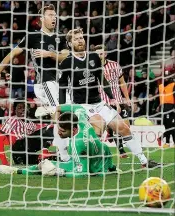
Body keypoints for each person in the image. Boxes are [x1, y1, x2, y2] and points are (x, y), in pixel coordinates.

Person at [57, 28, 160, 169]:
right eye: (76, 39)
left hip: (99, 102)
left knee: (123, 128)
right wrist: (63, 110)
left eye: (81, 37)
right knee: (97, 128)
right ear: (69, 43)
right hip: (82, 106)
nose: (80, 40)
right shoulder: (66, 63)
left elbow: (102, 80)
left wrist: (112, 98)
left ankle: (144, 161)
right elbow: (62, 88)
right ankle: (88, 162)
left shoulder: (93, 57)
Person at [0, 4, 70, 162]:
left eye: (54, 15)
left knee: (69, 115)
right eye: (50, 15)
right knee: (61, 114)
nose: (54, 18)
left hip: (61, 82)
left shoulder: (60, 38)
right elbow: (13, 52)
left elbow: (66, 56)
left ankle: (46, 144)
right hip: (45, 82)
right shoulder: (33, 36)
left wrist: (49, 54)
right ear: (41, 19)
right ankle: (64, 156)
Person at [0, 104, 119, 177]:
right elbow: (78, 107)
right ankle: (18, 170)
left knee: (47, 165)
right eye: (59, 128)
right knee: (46, 163)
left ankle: (18, 171)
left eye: (63, 131)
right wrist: (56, 110)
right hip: (106, 156)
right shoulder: (79, 117)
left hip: (95, 167)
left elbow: (84, 174)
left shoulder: (76, 144)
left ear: (73, 130)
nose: (59, 133)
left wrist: (60, 173)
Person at [95, 45, 131, 158]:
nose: (99, 56)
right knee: (115, 125)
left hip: (118, 100)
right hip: (103, 102)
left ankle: (110, 133)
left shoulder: (114, 65)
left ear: (105, 54)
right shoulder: (92, 68)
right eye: (97, 54)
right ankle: (121, 150)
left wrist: (127, 98)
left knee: (126, 125)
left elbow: (122, 82)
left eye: (101, 53)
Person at [0, 98, 53, 165]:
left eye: (25, 107)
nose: (23, 109)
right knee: (49, 128)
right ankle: (44, 152)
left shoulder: (31, 123)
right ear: (15, 110)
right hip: (18, 148)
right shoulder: (12, 120)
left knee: (50, 160)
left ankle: (47, 155)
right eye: (20, 108)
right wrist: (4, 161)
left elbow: (42, 137)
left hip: (26, 154)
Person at [158, 71, 175, 147]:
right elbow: (160, 97)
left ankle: (164, 140)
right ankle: (167, 142)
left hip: (171, 106)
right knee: (168, 126)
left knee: (171, 125)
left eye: (167, 76)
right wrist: (158, 106)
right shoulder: (161, 86)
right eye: (165, 76)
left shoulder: (173, 85)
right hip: (163, 107)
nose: (166, 78)